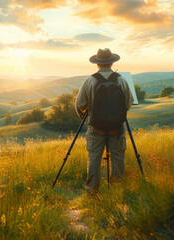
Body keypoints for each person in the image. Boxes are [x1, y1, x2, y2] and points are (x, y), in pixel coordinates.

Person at [75, 48, 133, 194]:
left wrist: (86, 116)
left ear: (97, 63)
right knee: (118, 158)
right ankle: (117, 192)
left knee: (94, 159)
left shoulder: (89, 80)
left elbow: (79, 105)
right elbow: (128, 104)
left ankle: (92, 193)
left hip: (96, 128)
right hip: (117, 127)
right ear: (112, 62)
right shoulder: (121, 80)